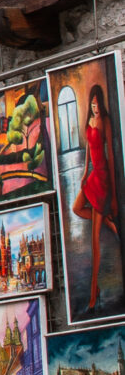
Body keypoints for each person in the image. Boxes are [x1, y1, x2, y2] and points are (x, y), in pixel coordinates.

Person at [77, 80, 122, 312]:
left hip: (103, 177)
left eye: (97, 104)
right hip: (93, 175)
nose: (95, 108)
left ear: (101, 104)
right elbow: (87, 152)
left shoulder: (104, 121)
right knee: (76, 208)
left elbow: (111, 156)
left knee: (94, 242)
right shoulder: (90, 121)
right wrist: (84, 174)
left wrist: (113, 194)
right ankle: (109, 224)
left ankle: (94, 292)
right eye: (92, 105)